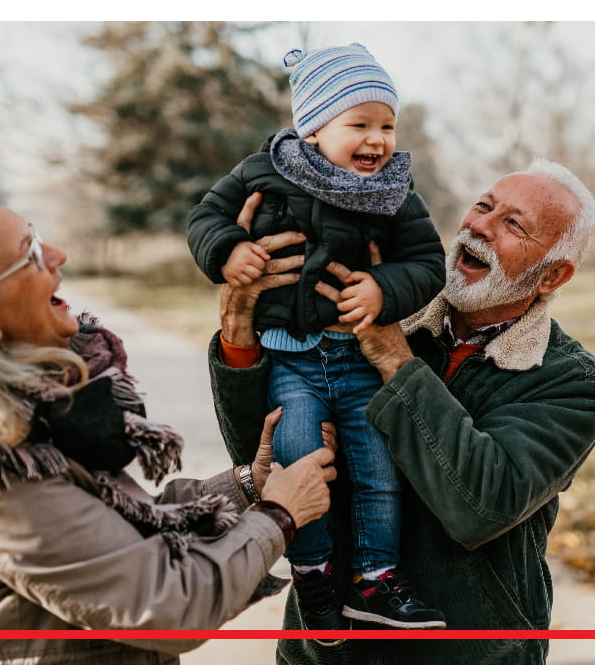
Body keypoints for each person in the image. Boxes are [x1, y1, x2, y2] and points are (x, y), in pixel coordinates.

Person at [0, 182, 338, 664]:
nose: (59, 255)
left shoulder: (30, 417)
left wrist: (247, 485)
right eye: (32, 254)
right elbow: (168, 603)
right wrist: (279, 515)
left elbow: (118, 537)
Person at [209, 159, 595, 664]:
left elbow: (481, 504)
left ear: (554, 274)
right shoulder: (370, 307)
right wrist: (239, 331)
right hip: (325, 650)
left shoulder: (571, 381)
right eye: (483, 206)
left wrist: (393, 357)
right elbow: (268, 456)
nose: (480, 226)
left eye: (514, 224)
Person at [187, 43, 447, 630]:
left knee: (378, 469)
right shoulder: (263, 172)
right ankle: (313, 573)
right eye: (359, 124)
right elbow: (206, 217)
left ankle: (375, 577)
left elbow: (428, 262)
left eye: (388, 125)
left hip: (358, 358)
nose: (378, 140)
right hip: (290, 359)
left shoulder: (395, 193)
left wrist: (384, 288)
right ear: (312, 127)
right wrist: (229, 251)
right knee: (298, 456)